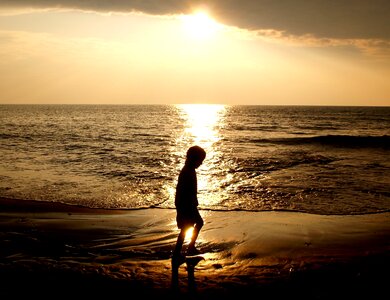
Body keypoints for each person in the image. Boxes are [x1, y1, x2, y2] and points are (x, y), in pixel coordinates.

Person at [172, 145, 206, 263]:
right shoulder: (187, 171)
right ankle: (181, 251)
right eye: (200, 161)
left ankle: (188, 248)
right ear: (193, 159)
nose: (201, 163)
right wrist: (186, 205)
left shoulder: (189, 169)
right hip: (186, 204)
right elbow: (183, 190)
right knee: (189, 226)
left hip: (187, 203)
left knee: (189, 226)